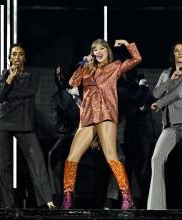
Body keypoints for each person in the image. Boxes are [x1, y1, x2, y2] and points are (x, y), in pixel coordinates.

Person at [60, 39, 142, 210]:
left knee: (111, 156)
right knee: (71, 158)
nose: (98, 51)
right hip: (88, 117)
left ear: (107, 51)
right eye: (94, 49)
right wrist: (83, 65)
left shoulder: (115, 67)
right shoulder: (86, 70)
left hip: (106, 115)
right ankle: (67, 198)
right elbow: (72, 83)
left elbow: (137, 59)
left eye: (101, 48)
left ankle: (127, 198)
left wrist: (127, 43)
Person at [48, 63, 126, 209]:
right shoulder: (57, 98)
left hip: (99, 127)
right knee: (54, 154)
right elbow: (59, 126)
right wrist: (80, 133)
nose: (60, 77)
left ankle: (111, 200)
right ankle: (59, 198)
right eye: (57, 74)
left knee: (120, 158)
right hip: (74, 132)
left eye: (63, 72)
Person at [0, 43, 55, 209]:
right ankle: (8, 204)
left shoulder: (33, 72)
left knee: (37, 160)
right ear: (10, 57)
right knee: (3, 164)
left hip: (24, 121)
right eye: (14, 54)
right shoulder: (5, 74)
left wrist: (7, 96)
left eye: (20, 54)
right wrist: (10, 78)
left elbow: (31, 90)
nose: (17, 57)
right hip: (4, 121)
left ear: (25, 57)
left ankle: (47, 201)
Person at [147, 41, 182, 210]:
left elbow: (180, 92)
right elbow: (155, 92)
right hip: (169, 122)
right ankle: (156, 207)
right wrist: (170, 80)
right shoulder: (166, 73)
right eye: (176, 50)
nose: (179, 53)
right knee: (157, 159)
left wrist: (160, 103)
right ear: (173, 54)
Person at [117, 68, 157, 209]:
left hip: (150, 131)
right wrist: (141, 88)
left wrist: (143, 87)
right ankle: (135, 200)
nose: (134, 72)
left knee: (149, 167)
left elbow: (152, 101)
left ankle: (147, 199)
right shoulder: (121, 89)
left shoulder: (138, 86)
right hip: (137, 133)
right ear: (123, 73)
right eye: (130, 70)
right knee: (138, 167)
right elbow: (138, 102)